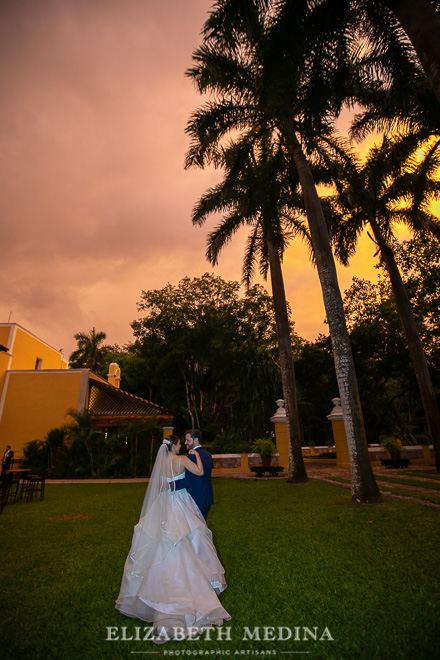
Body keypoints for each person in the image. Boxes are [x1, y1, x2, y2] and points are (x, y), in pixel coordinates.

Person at [116, 435, 230, 644]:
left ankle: (155, 586)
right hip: (180, 502)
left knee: (160, 540)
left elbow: (160, 485)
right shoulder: (183, 460)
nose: (182, 446)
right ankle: (189, 585)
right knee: (186, 539)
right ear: (176, 445)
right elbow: (201, 472)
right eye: (180, 444)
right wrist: (194, 455)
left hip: (164, 502)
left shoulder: (160, 462)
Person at [184, 430, 213, 520]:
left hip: (195, 498)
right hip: (207, 497)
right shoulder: (208, 455)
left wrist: (172, 485)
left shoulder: (191, 457)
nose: (185, 443)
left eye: (188, 440)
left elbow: (188, 480)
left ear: (195, 440)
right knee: (203, 527)